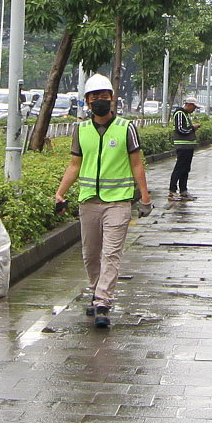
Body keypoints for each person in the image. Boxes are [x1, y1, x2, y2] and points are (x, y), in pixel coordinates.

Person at [52, 72, 147, 327]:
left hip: (118, 202)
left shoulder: (126, 128)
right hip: (89, 202)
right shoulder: (80, 129)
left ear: (112, 99)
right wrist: (60, 192)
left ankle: (103, 301)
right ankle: (96, 292)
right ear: (87, 101)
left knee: (111, 253)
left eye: (104, 96)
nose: (100, 100)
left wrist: (145, 198)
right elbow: (75, 165)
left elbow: (137, 164)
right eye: (95, 97)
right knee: (90, 254)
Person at [169, 98, 202, 196]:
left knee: (186, 168)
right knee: (179, 168)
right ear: (189, 105)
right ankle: (172, 190)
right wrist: (192, 129)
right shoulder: (180, 113)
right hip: (182, 146)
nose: (194, 109)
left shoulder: (186, 115)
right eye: (194, 107)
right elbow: (180, 129)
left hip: (188, 146)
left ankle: (183, 190)